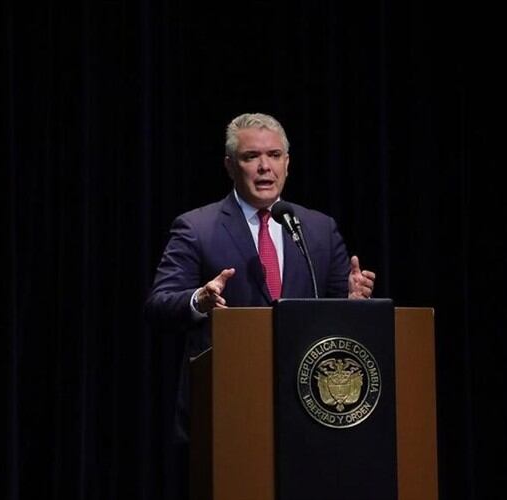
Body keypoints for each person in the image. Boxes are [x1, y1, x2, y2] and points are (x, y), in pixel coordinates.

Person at [145, 112, 376, 441]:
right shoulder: (197, 228)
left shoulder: (319, 229)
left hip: (307, 407)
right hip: (227, 404)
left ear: (287, 163)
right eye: (251, 157)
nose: (264, 166)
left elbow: (336, 318)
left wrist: (352, 304)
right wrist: (199, 299)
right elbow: (158, 305)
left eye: (274, 155)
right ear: (229, 166)